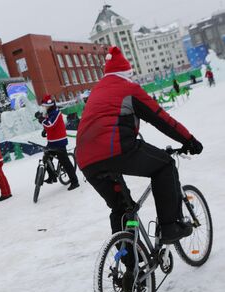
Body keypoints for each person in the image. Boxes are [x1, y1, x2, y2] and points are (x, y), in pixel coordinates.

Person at [76, 46, 203, 243]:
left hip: (86, 160)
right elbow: (161, 118)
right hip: (116, 150)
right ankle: (169, 227)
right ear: (127, 73)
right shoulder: (128, 89)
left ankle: (129, 266)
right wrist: (189, 140)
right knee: (165, 165)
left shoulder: (97, 91)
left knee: (122, 208)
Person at [35, 95, 80, 191]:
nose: (43, 107)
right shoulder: (49, 113)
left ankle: (75, 181)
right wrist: (45, 130)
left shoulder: (56, 113)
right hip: (51, 141)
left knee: (65, 162)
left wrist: (42, 120)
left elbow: (50, 124)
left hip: (59, 142)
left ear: (49, 105)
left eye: (44, 105)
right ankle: (52, 177)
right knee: (46, 158)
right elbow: (48, 124)